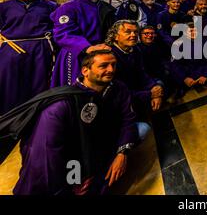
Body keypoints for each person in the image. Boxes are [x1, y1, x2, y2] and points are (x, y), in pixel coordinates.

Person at [12, 50, 140, 195]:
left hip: (100, 146)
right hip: (73, 157)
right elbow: (49, 153)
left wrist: (122, 153)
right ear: (85, 71)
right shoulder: (63, 104)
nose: (111, 70)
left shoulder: (118, 88)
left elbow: (128, 119)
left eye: (113, 65)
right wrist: (73, 181)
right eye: (103, 66)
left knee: (141, 129)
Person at [0, 0, 57, 115]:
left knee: (38, 82)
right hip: (11, 48)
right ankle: (8, 116)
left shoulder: (50, 6)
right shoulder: (4, 7)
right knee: (8, 81)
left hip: (41, 47)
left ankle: (35, 114)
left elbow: (57, 27)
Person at [51, 0, 115, 87]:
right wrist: (87, 48)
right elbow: (63, 33)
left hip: (101, 52)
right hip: (77, 52)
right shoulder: (68, 7)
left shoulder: (105, 7)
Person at [105, 21, 164, 118]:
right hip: (120, 101)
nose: (133, 35)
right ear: (115, 36)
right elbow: (117, 92)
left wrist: (155, 88)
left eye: (135, 32)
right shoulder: (109, 56)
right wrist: (149, 94)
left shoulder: (135, 50)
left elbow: (142, 73)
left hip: (136, 90)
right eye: (128, 32)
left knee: (160, 84)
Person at [169, 23, 207, 98]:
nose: (193, 33)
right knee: (172, 72)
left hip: (202, 68)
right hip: (188, 70)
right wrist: (184, 78)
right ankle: (181, 88)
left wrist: (205, 75)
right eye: (190, 31)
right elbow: (175, 64)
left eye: (195, 31)